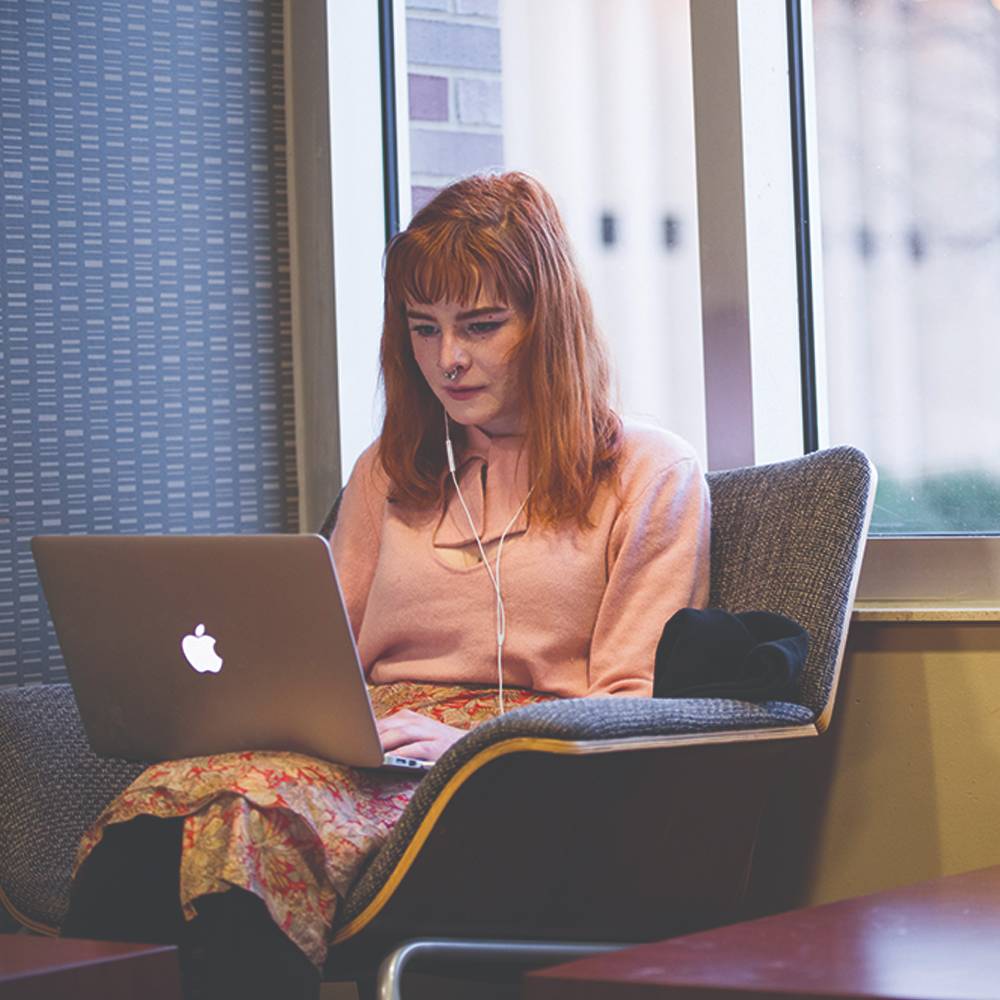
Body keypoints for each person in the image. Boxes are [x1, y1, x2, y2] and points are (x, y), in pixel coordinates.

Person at [61, 171, 710, 999]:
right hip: (367, 746)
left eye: (482, 326)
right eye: (423, 328)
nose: (450, 359)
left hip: (505, 770)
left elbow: (632, 697)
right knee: (161, 811)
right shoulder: (390, 471)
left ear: (550, 323)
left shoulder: (649, 472)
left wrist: (482, 747)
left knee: (249, 825)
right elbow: (319, 654)